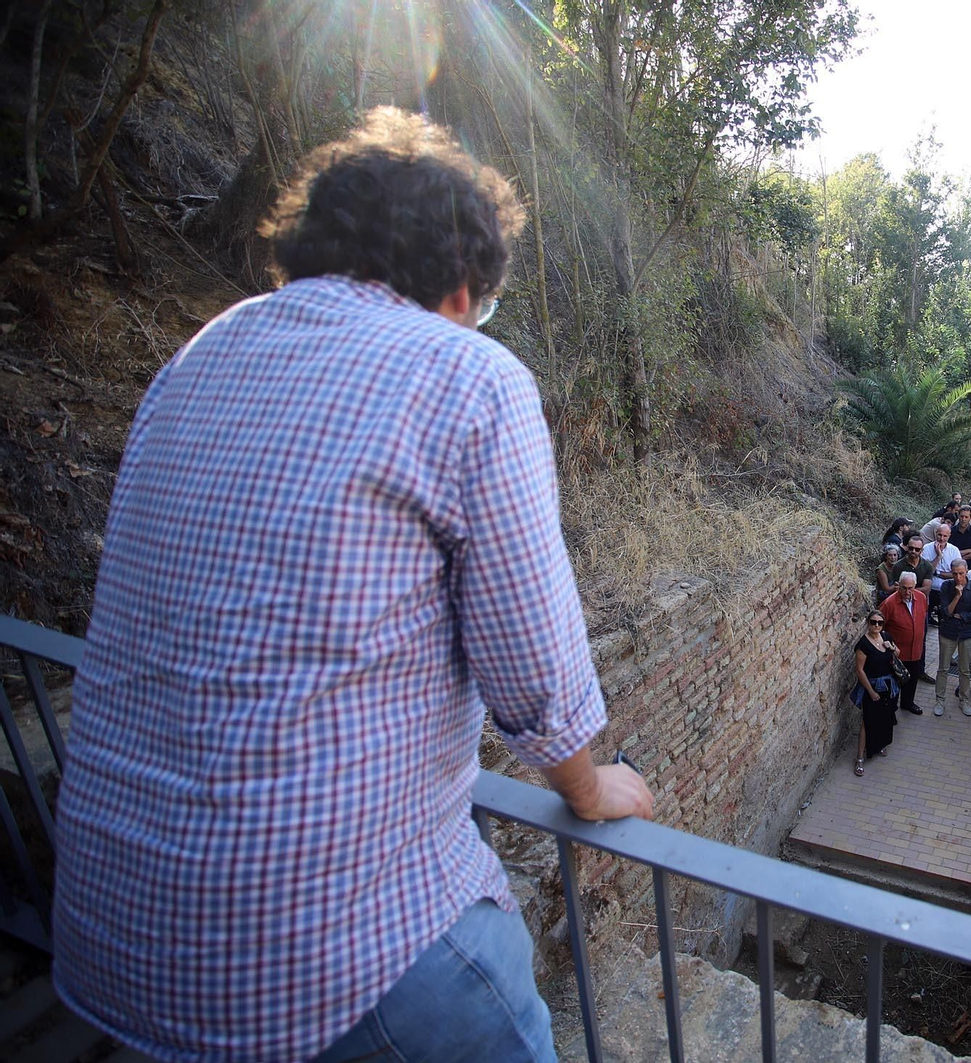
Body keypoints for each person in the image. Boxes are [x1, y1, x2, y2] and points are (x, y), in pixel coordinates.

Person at [49, 109, 654, 1063]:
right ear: (460, 282)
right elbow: (535, 672)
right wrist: (590, 785)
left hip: (106, 932)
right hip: (318, 960)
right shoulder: (470, 377)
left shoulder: (198, 353)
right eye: (483, 296)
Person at [851, 610, 901, 775]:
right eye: (873, 622)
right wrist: (871, 691)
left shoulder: (886, 636)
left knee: (885, 717)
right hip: (872, 685)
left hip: (888, 685)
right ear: (868, 623)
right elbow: (859, 670)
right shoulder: (863, 645)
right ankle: (860, 757)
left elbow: (898, 654)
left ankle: (879, 745)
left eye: (880, 623)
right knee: (867, 721)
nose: (877, 626)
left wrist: (891, 647)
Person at [933, 558, 971, 717]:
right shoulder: (946, 586)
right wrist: (957, 596)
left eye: (961, 573)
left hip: (967, 633)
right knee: (943, 668)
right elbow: (946, 613)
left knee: (965, 670)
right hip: (948, 632)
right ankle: (940, 700)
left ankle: (964, 700)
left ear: (966, 571)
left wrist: (960, 615)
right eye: (955, 574)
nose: (958, 577)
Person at [880, 571, 929, 716]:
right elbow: (879, 626)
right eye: (904, 588)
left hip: (916, 651)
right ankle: (891, 711)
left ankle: (908, 703)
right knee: (894, 683)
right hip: (897, 654)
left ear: (915, 587)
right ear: (898, 586)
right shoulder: (889, 603)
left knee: (912, 680)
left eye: (910, 588)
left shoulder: (921, 598)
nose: (907, 592)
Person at [921, 522, 962, 598]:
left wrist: (937, 573)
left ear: (949, 536)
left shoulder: (954, 550)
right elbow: (927, 572)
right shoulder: (926, 548)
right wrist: (939, 556)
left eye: (945, 536)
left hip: (948, 589)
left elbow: (957, 574)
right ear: (936, 533)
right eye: (940, 535)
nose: (942, 538)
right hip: (931, 590)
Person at [948, 504, 971, 570]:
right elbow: (950, 552)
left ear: (970, 518)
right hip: (955, 568)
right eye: (962, 516)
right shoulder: (951, 531)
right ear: (958, 516)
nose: (963, 519)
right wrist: (970, 550)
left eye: (966, 517)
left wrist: (961, 559)